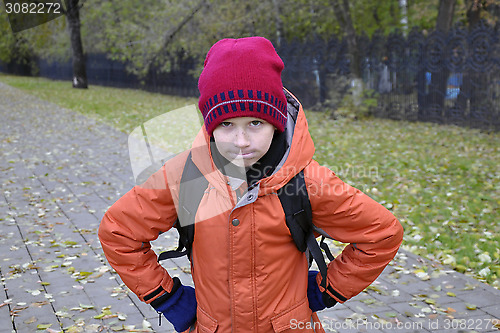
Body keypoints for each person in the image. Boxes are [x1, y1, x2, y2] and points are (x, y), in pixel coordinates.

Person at [98, 36, 404, 333]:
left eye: (255, 123)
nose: (241, 142)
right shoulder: (185, 177)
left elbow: (381, 234)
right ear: (210, 126)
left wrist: (329, 289)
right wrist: (170, 298)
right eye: (227, 125)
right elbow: (119, 232)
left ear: (276, 122)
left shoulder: (306, 181)